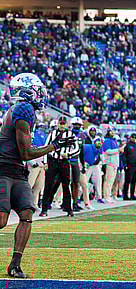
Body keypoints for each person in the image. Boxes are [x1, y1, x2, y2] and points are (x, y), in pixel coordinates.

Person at [0, 73, 75, 278]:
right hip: (4, 169)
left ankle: (14, 265)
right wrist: (54, 146)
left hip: (17, 170)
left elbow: (24, 153)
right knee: (1, 219)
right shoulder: (24, 108)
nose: (41, 94)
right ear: (28, 91)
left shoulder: (24, 110)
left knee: (26, 215)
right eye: (38, 90)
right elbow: (26, 153)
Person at [40, 116, 79, 217]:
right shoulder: (52, 134)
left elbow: (77, 149)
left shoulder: (71, 134)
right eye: (60, 123)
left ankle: (68, 209)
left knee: (66, 186)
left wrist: (69, 154)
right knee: (48, 185)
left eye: (63, 124)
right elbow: (46, 148)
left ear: (66, 124)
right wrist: (45, 162)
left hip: (64, 162)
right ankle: (44, 209)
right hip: (53, 161)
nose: (62, 126)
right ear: (57, 124)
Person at [122, 133, 136, 200]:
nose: (134, 139)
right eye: (132, 137)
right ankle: (125, 195)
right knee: (127, 180)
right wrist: (125, 164)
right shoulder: (127, 145)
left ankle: (132, 194)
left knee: (134, 181)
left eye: (135, 138)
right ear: (130, 138)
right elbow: (124, 155)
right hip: (129, 165)